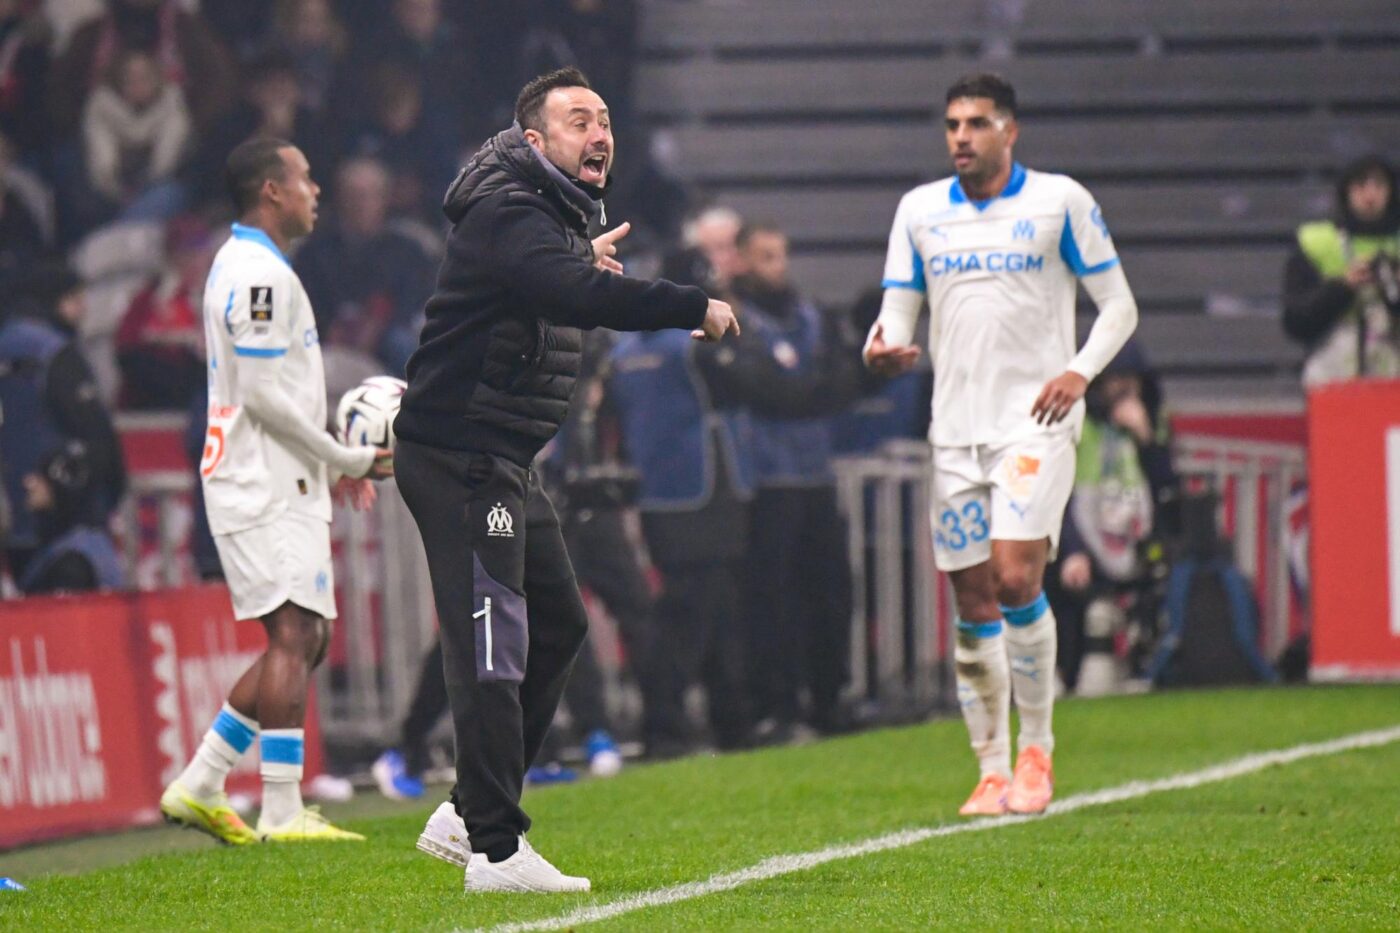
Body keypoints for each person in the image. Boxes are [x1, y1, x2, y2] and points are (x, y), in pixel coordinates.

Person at [393, 66, 738, 893]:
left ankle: (468, 805)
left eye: (607, 119)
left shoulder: (543, 217)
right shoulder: (508, 210)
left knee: (559, 626)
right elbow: (565, 289)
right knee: (493, 642)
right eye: (580, 120)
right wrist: (691, 303)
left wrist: (578, 253)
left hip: (502, 459)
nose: (601, 133)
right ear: (535, 141)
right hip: (461, 458)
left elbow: (552, 279)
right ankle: (497, 850)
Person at [863, 73, 1138, 816]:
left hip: (1035, 422)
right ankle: (989, 766)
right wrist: (882, 349)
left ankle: (1036, 749)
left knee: (1018, 577)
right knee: (973, 596)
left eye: (976, 123)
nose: (960, 136)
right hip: (954, 431)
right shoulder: (919, 212)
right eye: (952, 123)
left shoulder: (1060, 202)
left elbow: (1119, 306)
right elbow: (895, 317)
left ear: (1008, 130)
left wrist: (1078, 372)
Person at [159, 137, 392, 845]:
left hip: (277, 472)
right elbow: (259, 393)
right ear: (271, 191)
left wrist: (324, 466)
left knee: (308, 635)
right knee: (293, 632)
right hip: (258, 477)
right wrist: (340, 456)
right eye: (306, 177)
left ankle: (201, 783)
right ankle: (283, 810)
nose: (315, 190)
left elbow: (274, 391)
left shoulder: (258, 268)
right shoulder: (257, 274)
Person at [0, 262, 127, 583]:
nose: (82, 308)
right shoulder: (55, 354)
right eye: (74, 298)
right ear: (52, 300)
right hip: (64, 527)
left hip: (14, 525)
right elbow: (99, 440)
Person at [1282, 155, 1400, 387]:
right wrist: (1342, 287)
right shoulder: (1316, 241)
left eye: (1378, 185)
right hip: (1331, 377)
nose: (1369, 195)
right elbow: (1295, 321)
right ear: (1346, 191)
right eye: (1360, 185)